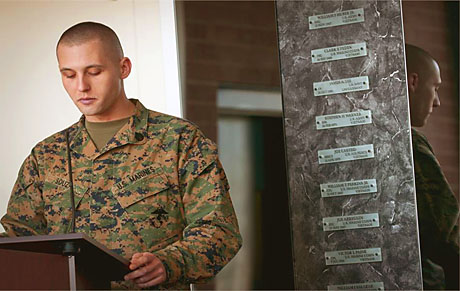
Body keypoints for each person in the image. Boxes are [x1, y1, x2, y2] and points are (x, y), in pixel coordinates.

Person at [0, 22, 242, 289]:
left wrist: (169, 263)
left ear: (123, 68)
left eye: (94, 72)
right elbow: (17, 243)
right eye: (68, 75)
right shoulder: (46, 156)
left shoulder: (179, 140)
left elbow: (219, 231)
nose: (81, 86)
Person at [406, 44, 459, 290]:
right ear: (413, 82)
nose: (437, 102)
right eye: (435, 88)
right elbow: (445, 233)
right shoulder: (409, 143)